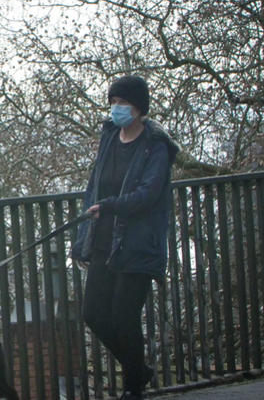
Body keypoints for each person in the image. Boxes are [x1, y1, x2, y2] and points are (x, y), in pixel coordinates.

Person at [70, 76, 180, 400]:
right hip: (104, 240)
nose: (116, 109)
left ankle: (133, 387)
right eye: (113, 102)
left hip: (137, 243)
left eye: (123, 103)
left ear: (139, 108)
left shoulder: (155, 146)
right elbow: (95, 187)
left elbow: (147, 194)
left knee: (123, 316)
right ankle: (139, 370)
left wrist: (110, 206)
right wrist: (81, 240)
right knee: (93, 313)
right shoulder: (109, 138)